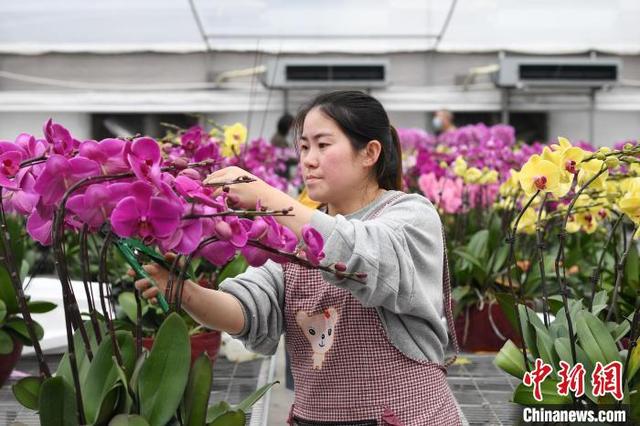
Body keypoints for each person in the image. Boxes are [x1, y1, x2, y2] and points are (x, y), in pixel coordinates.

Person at [132, 91, 461, 425]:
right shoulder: (292, 236)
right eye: (304, 147)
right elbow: (246, 310)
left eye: (323, 144)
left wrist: (272, 199)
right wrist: (183, 291)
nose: (308, 160)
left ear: (370, 153)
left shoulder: (410, 214)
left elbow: (367, 261)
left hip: (409, 417)